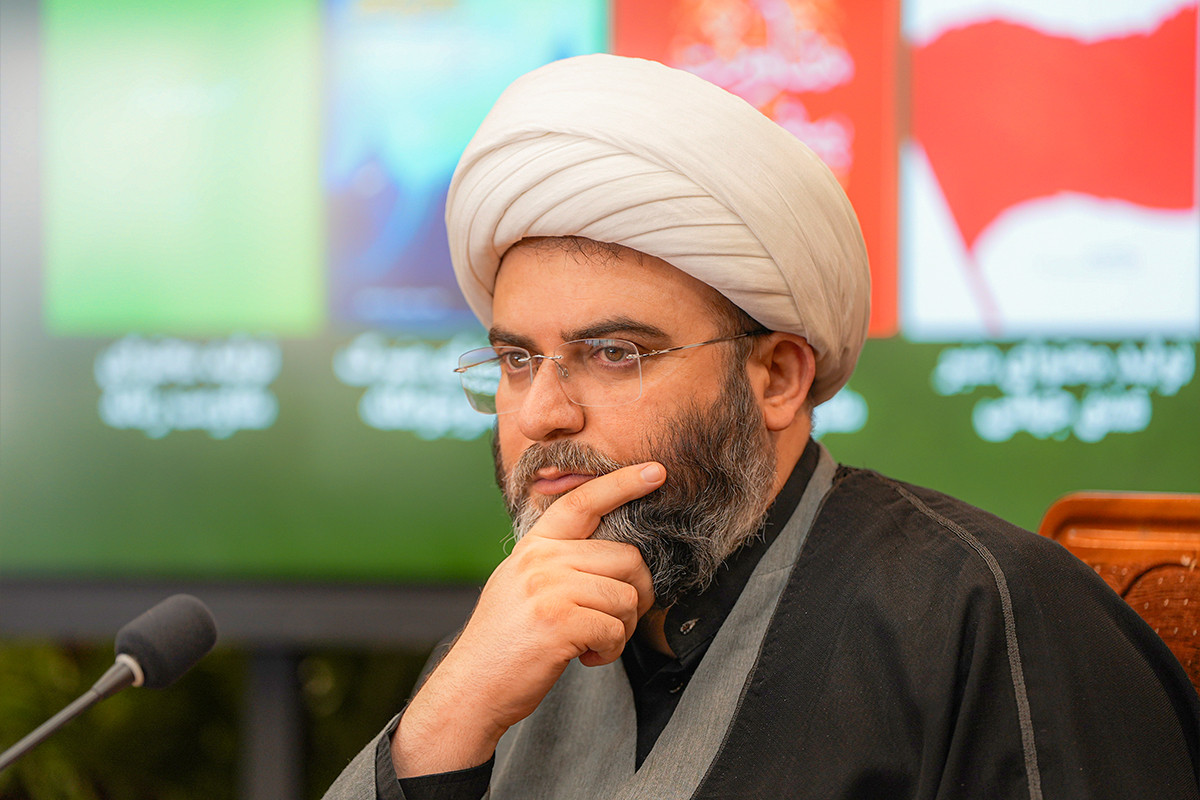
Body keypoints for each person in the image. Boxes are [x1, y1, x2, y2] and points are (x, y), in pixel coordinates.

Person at [325, 54, 1200, 800]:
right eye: (517, 360)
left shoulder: (982, 613)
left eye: (615, 353)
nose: (543, 413)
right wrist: (439, 732)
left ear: (777, 377)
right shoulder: (497, 653)